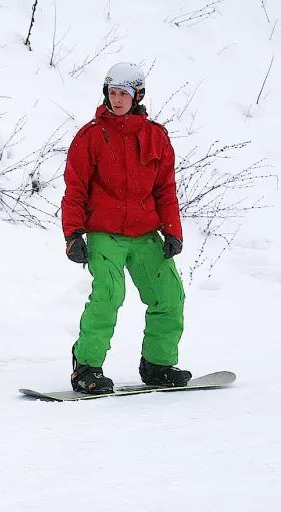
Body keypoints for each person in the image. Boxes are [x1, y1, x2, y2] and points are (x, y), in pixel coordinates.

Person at [60, 62, 192, 394]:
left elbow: (165, 188)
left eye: (124, 94)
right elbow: (75, 188)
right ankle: (86, 366)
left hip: (145, 234)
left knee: (169, 295)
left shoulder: (155, 136)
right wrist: (73, 234)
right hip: (105, 233)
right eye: (112, 93)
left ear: (138, 96)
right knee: (109, 294)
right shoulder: (90, 136)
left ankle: (158, 364)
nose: (117, 100)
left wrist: (173, 230)